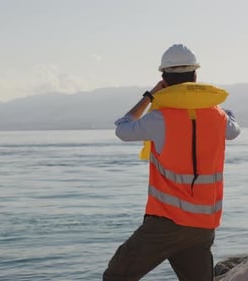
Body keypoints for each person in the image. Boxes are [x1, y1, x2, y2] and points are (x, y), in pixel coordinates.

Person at [103, 44, 240, 281]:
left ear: (163, 79)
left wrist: (149, 97)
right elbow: (234, 129)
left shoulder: (160, 118)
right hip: (203, 225)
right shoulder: (218, 116)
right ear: (195, 76)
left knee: (117, 276)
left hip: (166, 225)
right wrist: (215, 105)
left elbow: (122, 128)